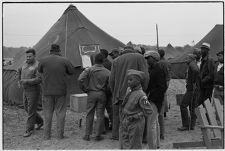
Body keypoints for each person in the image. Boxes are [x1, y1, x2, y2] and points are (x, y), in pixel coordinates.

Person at [109, 46, 149, 140]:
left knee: (121, 117)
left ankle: (119, 137)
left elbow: (111, 80)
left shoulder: (116, 60)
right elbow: (145, 76)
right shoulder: (139, 57)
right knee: (140, 116)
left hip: (120, 95)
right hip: (136, 93)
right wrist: (143, 90)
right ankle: (143, 137)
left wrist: (114, 92)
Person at [38, 44, 74, 140]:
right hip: (61, 91)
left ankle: (46, 136)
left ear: (50, 50)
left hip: (47, 91)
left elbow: (39, 70)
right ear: (59, 50)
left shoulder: (43, 60)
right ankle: (60, 135)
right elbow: (72, 71)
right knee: (61, 113)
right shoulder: (64, 60)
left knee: (47, 113)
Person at [78, 53, 110, 141]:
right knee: (100, 115)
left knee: (89, 114)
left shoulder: (89, 70)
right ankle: (97, 135)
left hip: (91, 93)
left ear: (94, 60)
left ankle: (87, 135)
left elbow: (80, 79)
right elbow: (110, 85)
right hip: (102, 94)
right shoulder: (107, 72)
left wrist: (84, 89)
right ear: (103, 61)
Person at [120, 69, 153, 149]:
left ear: (138, 81)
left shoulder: (141, 95)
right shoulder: (129, 90)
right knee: (125, 143)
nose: (128, 82)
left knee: (135, 145)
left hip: (135, 123)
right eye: (128, 79)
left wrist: (136, 116)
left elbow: (149, 111)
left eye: (131, 80)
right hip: (126, 121)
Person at [17, 49, 43, 137]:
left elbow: (39, 79)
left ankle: (29, 129)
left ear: (34, 56)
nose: (28, 58)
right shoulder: (24, 63)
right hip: (25, 90)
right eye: (27, 56)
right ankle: (40, 121)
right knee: (26, 108)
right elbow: (19, 70)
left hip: (33, 90)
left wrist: (26, 81)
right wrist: (18, 80)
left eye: (30, 56)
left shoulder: (38, 65)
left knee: (31, 110)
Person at [144, 50, 167, 148]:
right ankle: (156, 145)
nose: (147, 60)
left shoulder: (158, 69)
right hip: (155, 98)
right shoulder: (154, 68)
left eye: (148, 58)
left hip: (155, 99)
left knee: (151, 124)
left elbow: (162, 87)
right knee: (155, 122)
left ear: (154, 58)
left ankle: (152, 147)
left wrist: (152, 97)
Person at [177, 54, 200, 131]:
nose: (186, 60)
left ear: (191, 59)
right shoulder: (193, 64)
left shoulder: (191, 64)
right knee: (192, 107)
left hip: (191, 89)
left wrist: (193, 82)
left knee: (183, 105)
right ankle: (191, 125)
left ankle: (186, 125)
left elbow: (196, 71)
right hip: (194, 89)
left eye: (187, 58)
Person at [157, 49, 171, 139]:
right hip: (166, 80)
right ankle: (164, 112)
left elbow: (166, 74)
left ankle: (164, 112)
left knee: (163, 98)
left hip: (163, 82)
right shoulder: (166, 62)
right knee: (165, 97)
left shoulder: (161, 63)